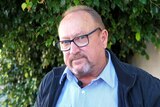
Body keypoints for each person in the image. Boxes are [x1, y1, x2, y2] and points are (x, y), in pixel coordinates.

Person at [35, 5, 160, 107]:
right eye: (66, 42)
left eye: (81, 38)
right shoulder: (50, 82)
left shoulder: (145, 87)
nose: (73, 50)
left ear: (103, 38)